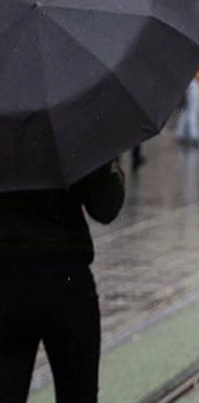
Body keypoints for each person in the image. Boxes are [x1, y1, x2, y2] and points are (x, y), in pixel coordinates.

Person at [0, 160, 125, 402]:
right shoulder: (69, 137)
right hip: (65, 279)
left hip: (6, 280)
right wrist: (112, 164)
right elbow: (105, 206)